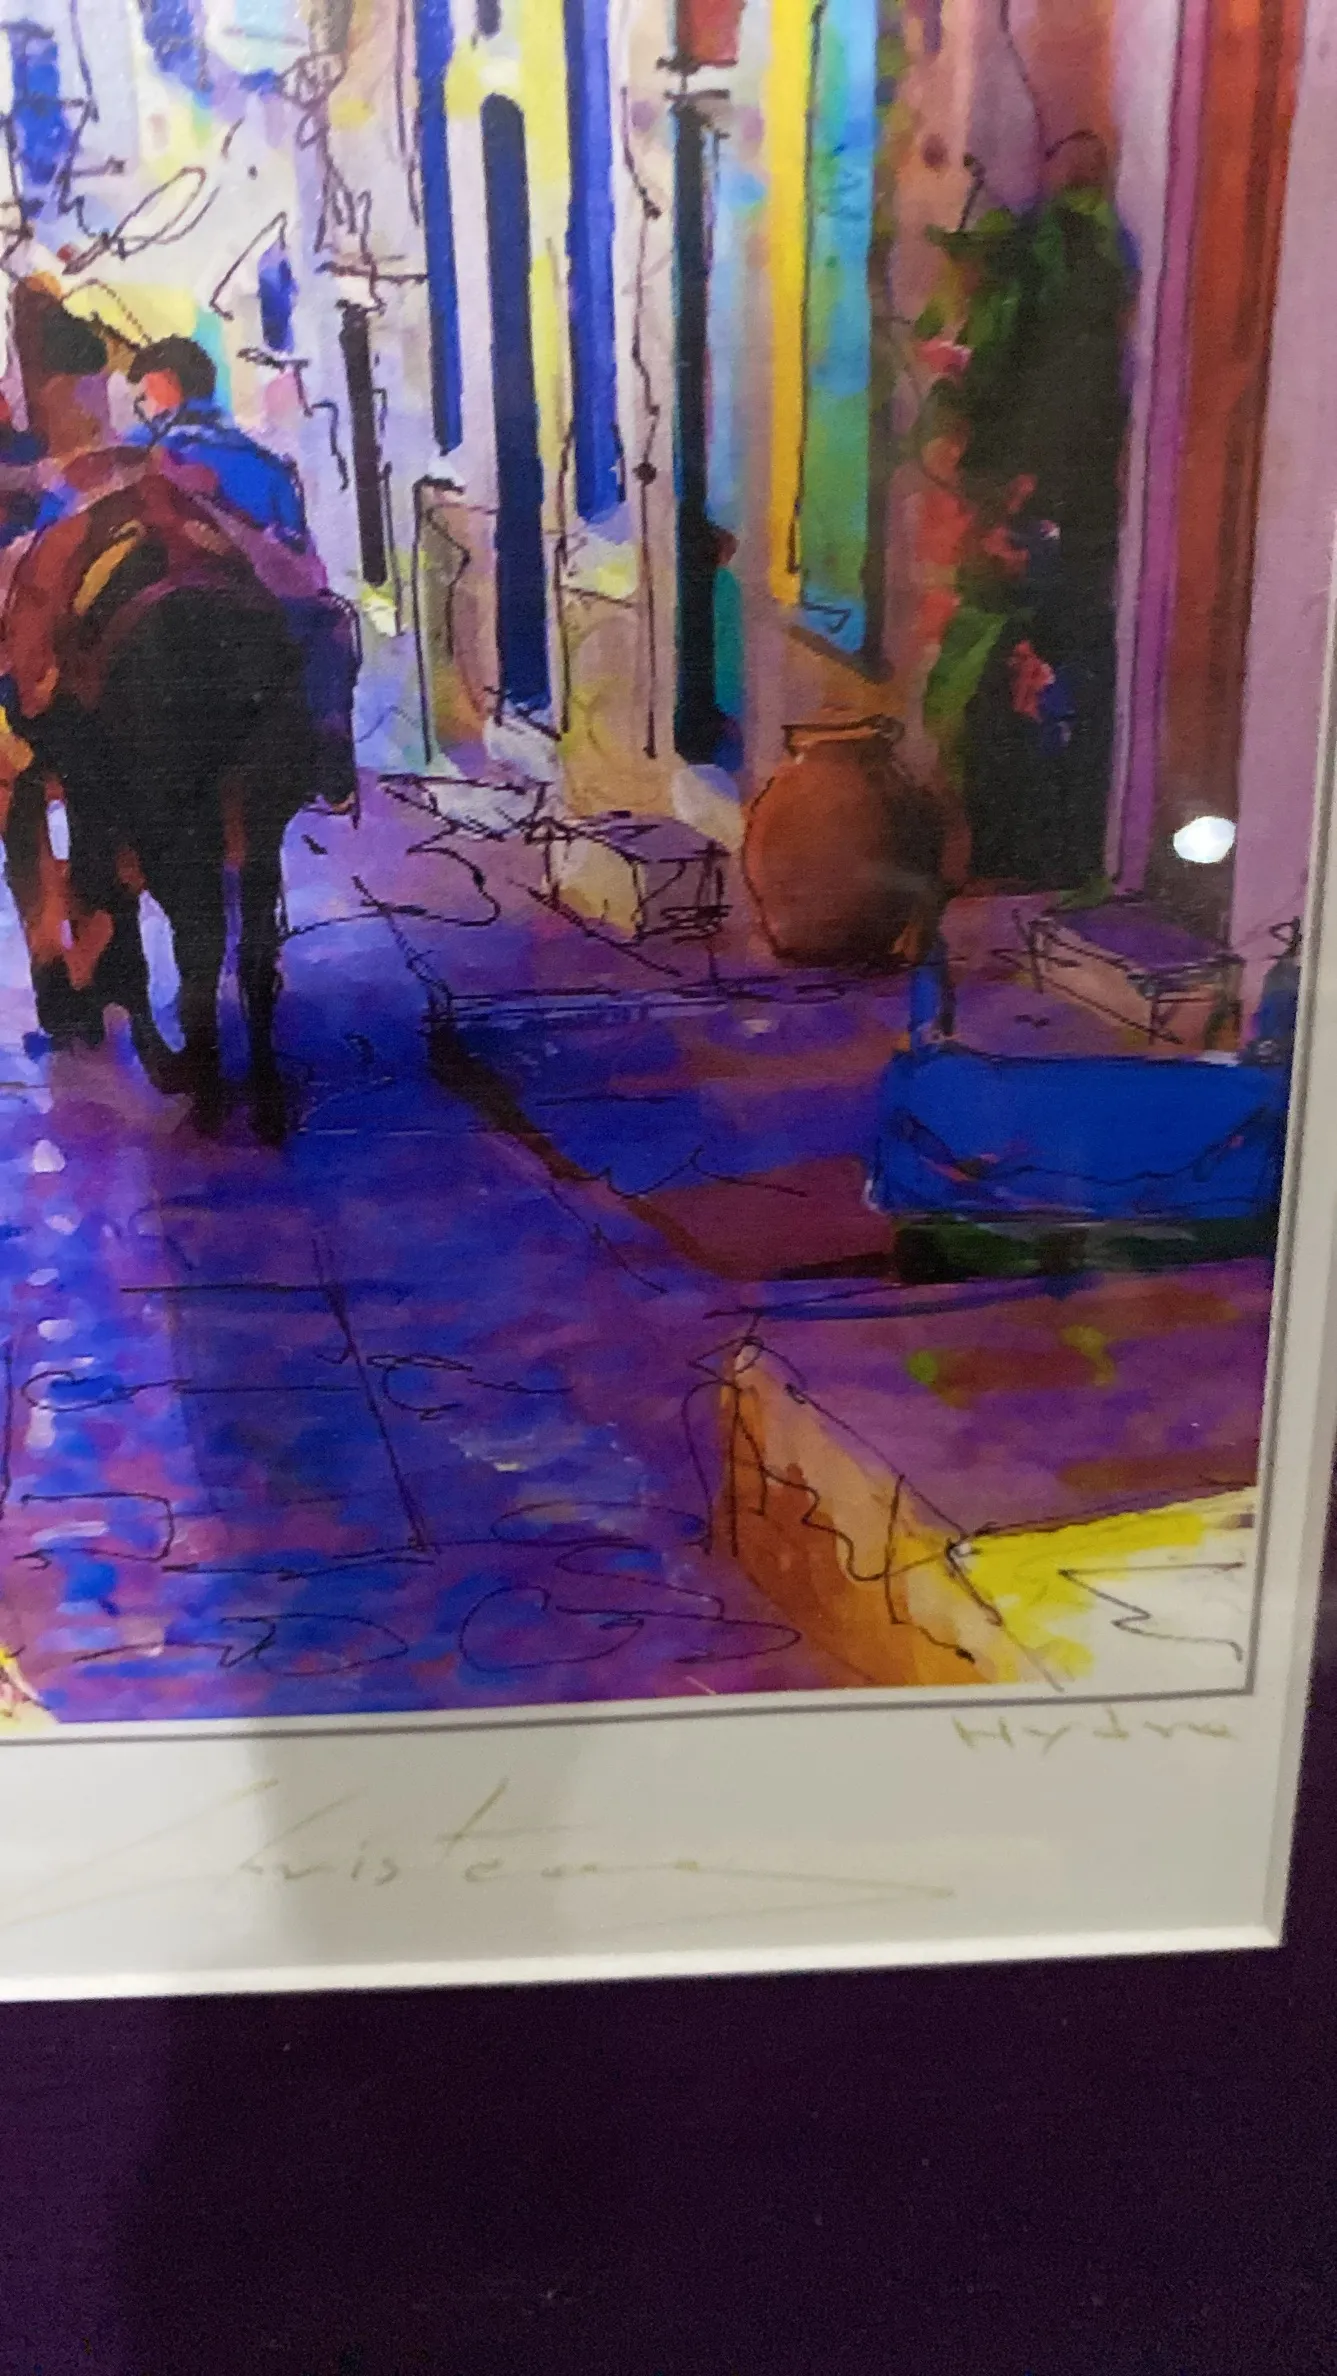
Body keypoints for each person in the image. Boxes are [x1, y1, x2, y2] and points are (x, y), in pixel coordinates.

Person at [124, 335, 359, 808]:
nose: (144, 405)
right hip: (256, 614)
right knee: (331, 624)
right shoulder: (263, 463)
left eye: (146, 394)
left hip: (154, 617)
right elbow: (300, 559)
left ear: (167, 385)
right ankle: (330, 763)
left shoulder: (134, 458)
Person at [126, 334, 308, 546]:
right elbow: (299, 554)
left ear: (167, 384)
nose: (146, 401)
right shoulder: (272, 467)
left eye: (149, 389)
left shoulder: (139, 450)